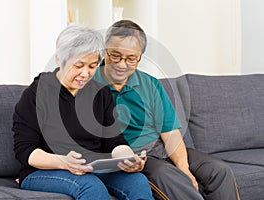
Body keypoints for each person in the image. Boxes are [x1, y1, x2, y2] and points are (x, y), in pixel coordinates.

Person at [93, 20, 241, 200]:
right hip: (136, 156)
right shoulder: (88, 85)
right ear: (104, 51)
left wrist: (184, 168)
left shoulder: (150, 84)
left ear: (140, 57)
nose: (122, 64)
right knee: (167, 175)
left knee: (219, 170)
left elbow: (169, 132)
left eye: (131, 58)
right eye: (115, 55)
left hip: (161, 148)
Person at [12, 24, 154, 200]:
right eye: (78, 65)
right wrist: (63, 162)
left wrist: (127, 159)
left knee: (137, 181)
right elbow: (25, 150)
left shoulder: (101, 93)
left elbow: (114, 141)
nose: (85, 74)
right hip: (44, 171)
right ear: (59, 60)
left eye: (92, 66)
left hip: (92, 167)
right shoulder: (39, 92)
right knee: (90, 186)